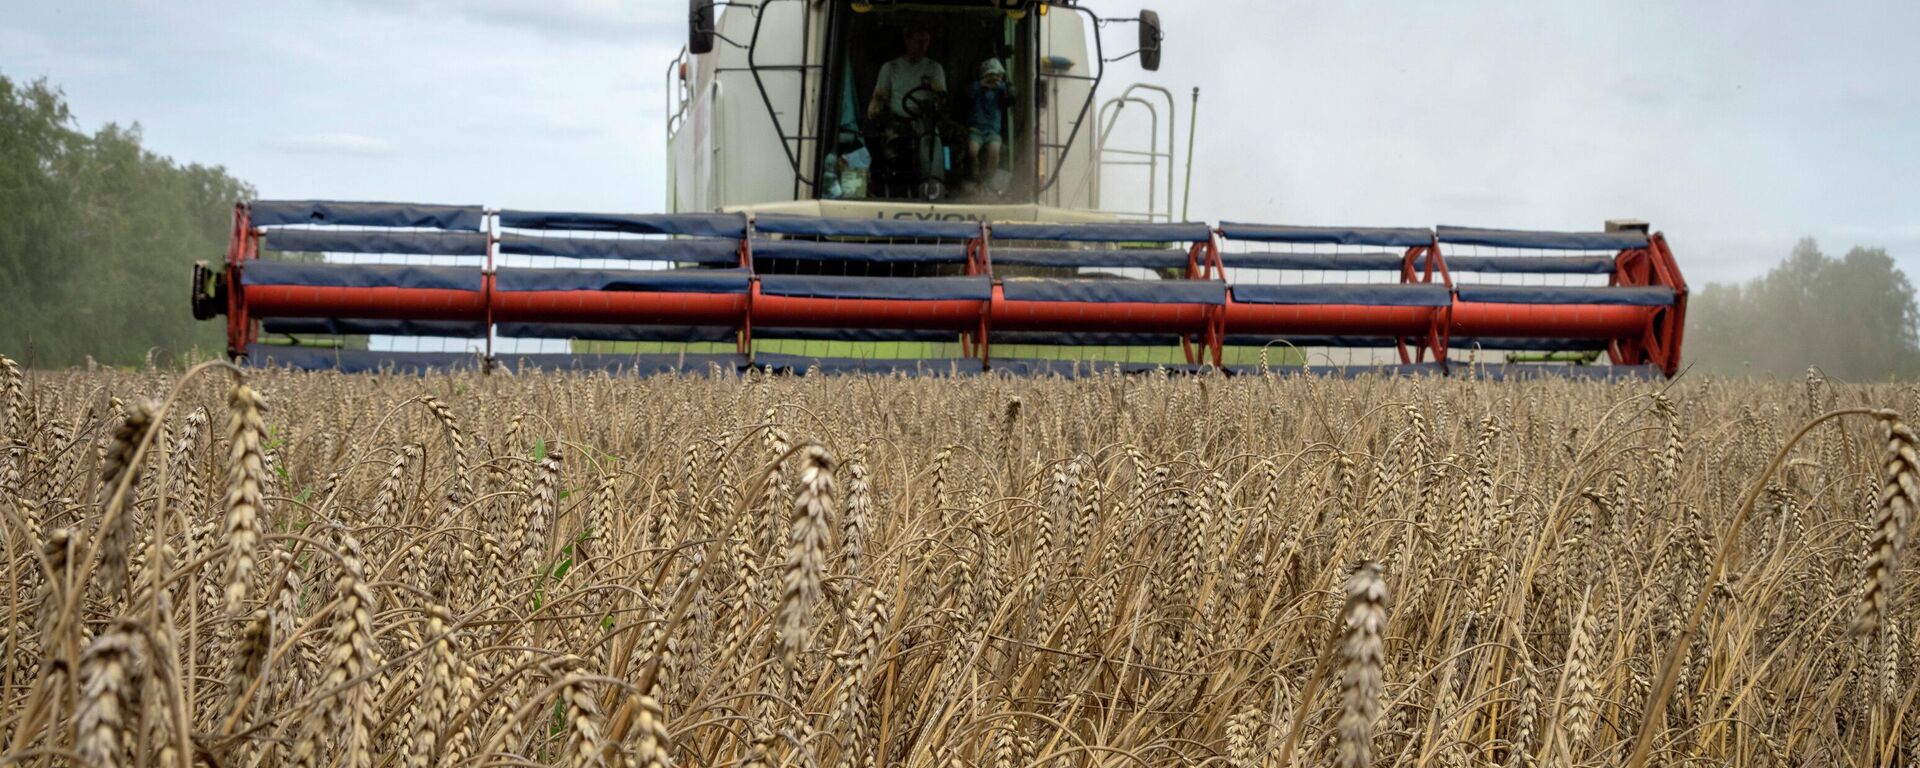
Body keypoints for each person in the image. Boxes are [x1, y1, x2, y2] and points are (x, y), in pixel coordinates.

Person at [867, 28, 946, 192]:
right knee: (894, 151)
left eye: (926, 42)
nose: (923, 46)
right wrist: (875, 107)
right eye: (919, 41)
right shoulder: (891, 68)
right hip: (899, 120)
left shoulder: (934, 68)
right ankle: (895, 187)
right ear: (907, 41)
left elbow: (942, 98)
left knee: (943, 144)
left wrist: (934, 88)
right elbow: (880, 96)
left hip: (927, 120)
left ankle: (938, 185)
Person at [966, 58, 1013, 194]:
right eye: (989, 76)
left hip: (992, 131)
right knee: (972, 150)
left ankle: (990, 178)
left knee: (994, 150)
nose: (992, 80)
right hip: (975, 130)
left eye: (996, 76)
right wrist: (982, 85)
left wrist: (1003, 86)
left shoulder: (1000, 91)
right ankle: (974, 176)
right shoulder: (976, 89)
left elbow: (1010, 95)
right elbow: (969, 92)